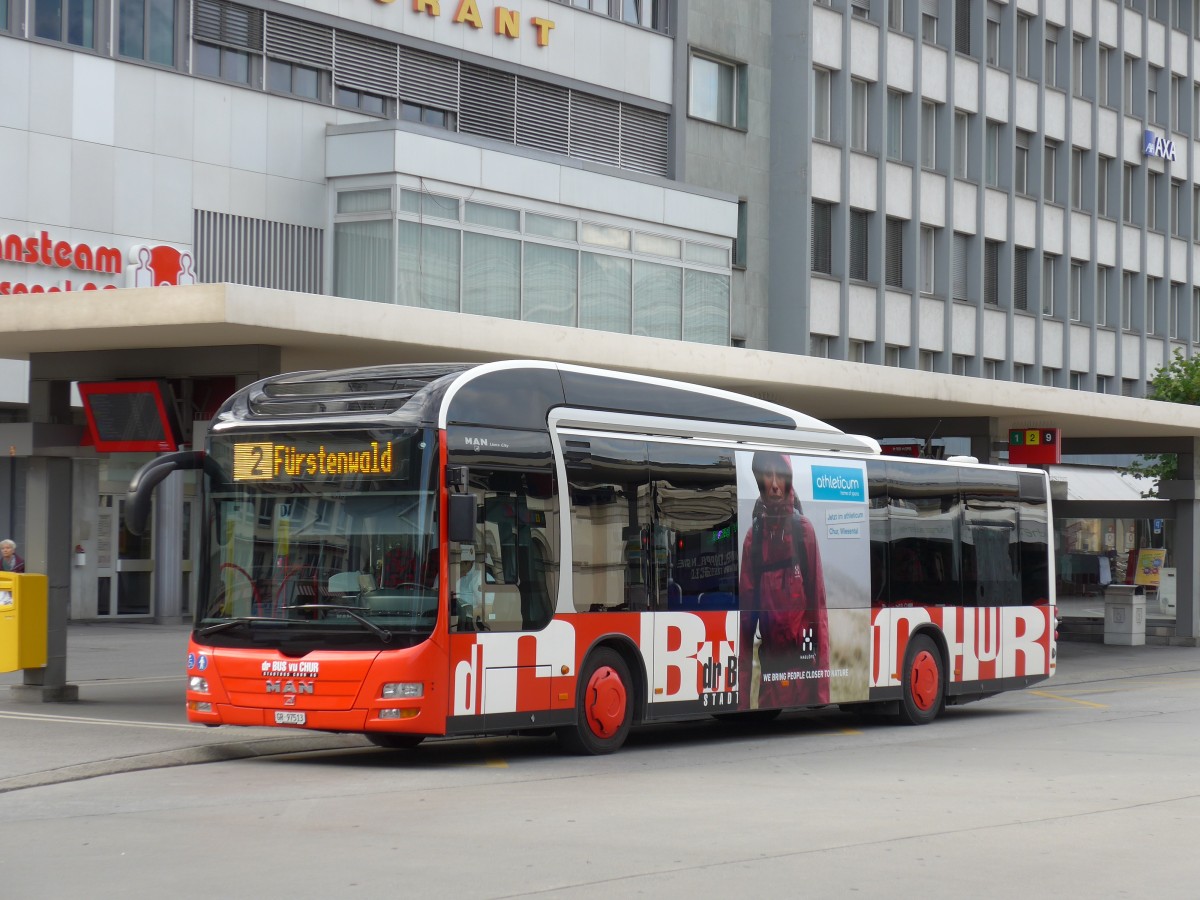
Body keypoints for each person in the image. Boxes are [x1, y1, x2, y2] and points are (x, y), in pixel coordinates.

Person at [740, 452, 829, 709]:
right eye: (768, 475)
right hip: (770, 680)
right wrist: (740, 702)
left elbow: (819, 613)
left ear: (789, 480)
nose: (775, 484)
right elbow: (746, 624)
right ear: (760, 481)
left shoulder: (804, 532)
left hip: (804, 677)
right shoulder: (753, 538)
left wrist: (821, 693)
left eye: (781, 475)